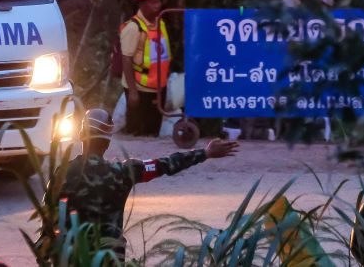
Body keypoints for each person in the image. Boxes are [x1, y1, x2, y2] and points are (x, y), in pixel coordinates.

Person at [54, 109, 238, 256]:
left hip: (71, 257)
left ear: (81, 135)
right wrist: (204, 153)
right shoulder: (123, 173)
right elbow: (164, 165)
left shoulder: (62, 173)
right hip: (109, 258)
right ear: (108, 141)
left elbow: (49, 218)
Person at [119, 0, 172, 136]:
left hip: (158, 88)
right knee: (137, 135)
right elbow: (126, 59)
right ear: (141, 4)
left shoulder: (160, 23)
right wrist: (133, 93)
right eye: (153, 2)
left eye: (158, 1)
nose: (158, 5)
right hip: (140, 90)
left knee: (153, 134)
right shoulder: (133, 28)